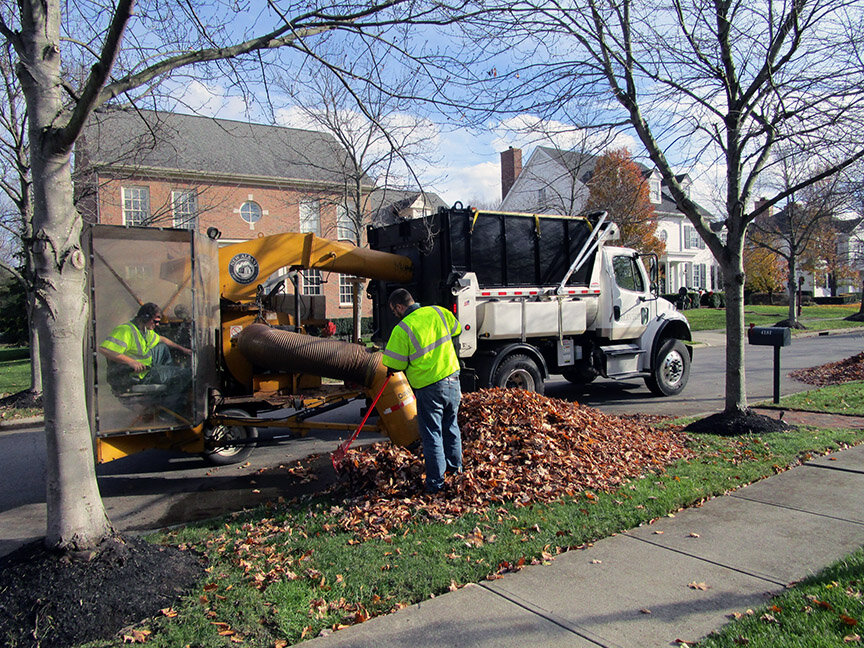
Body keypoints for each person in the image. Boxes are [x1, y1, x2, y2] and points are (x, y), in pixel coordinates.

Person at [382, 289, 463, 494]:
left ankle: (436, 484)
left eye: (394, 310)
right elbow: (457, 329)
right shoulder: (438, 312)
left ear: (400, 307)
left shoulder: (403, 329)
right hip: (453, 380)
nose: (395, 314)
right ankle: (456, 472)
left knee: (432, 434)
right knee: (451, 426)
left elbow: (392, 364)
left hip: (429, 388)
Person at [99, 302, 192, 406]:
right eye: (155, 321)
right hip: (138, 377)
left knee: (162, 347)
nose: (157, 324)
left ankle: (168, 374)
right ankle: (168, 406)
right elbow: (104, 349)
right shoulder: (125, 330)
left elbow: (161, 339)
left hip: (146, 368)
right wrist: (131, 362)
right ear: (145, 317)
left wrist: (183, 349)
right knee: (187, 373)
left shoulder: (144, 330)